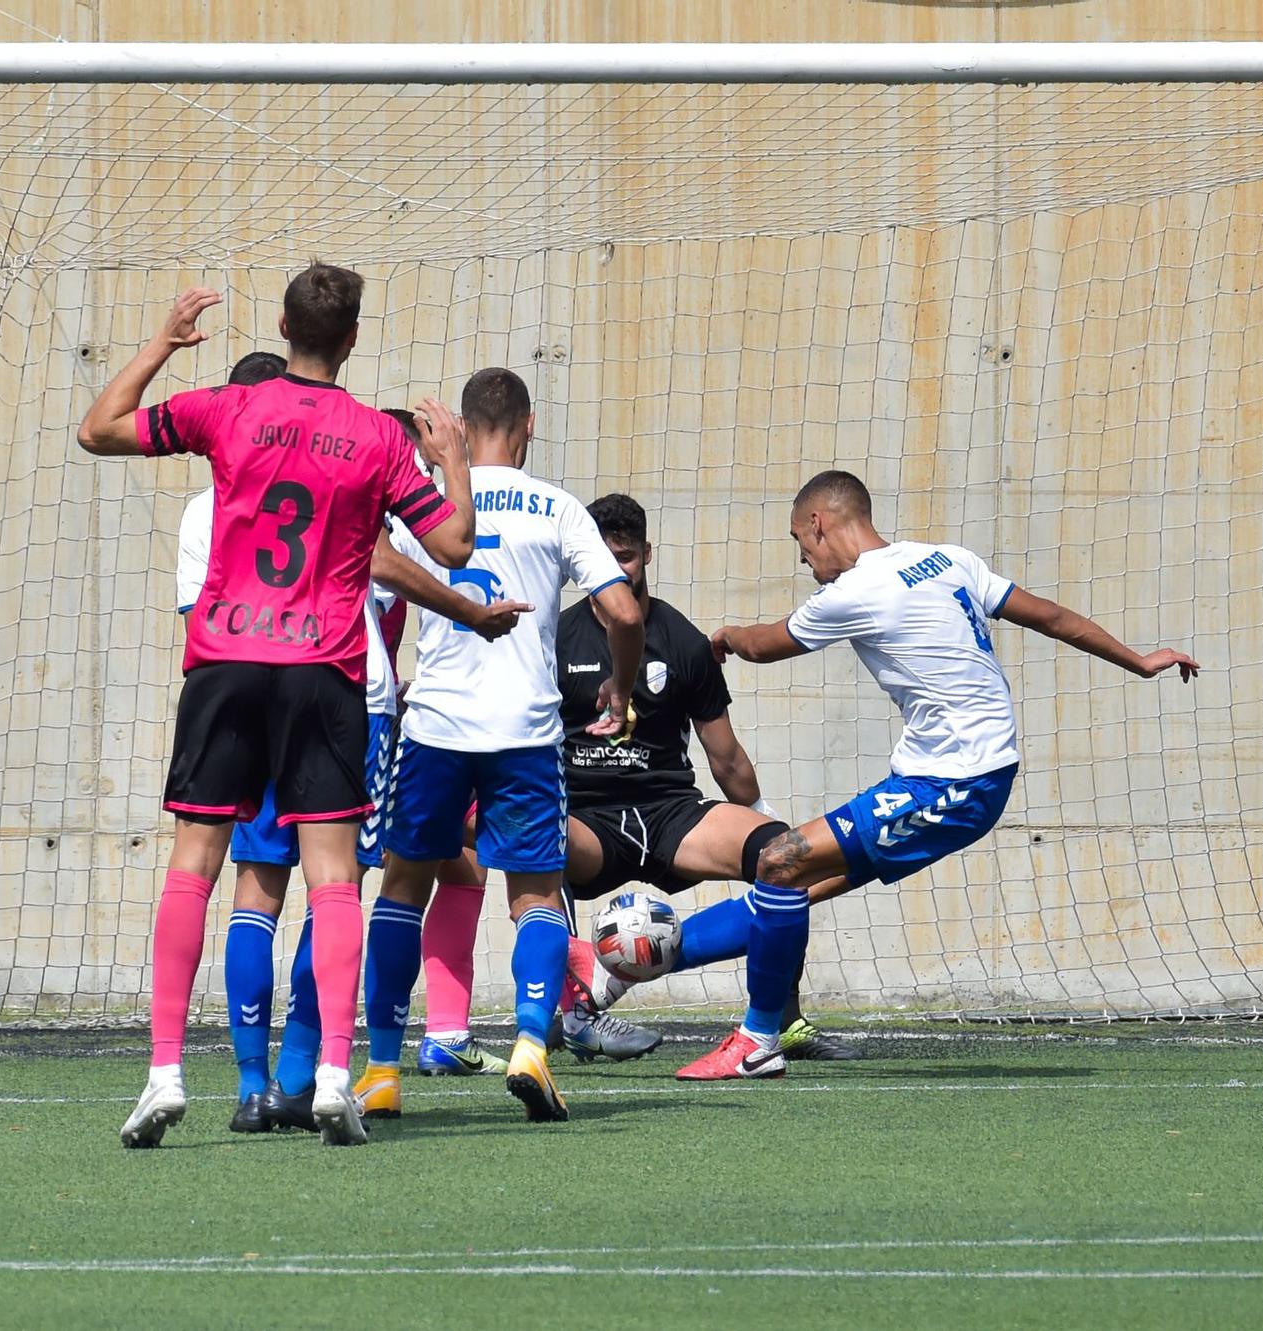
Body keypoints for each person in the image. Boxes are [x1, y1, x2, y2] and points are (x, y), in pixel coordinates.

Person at [77, 266, 475, 1147]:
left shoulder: (228, 408)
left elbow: (97, 429)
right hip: (322, 670)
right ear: (353, 338)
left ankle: (165, 1072)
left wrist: (161, 344)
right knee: (334, 877)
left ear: (284, 324)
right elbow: (454, 542)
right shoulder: (376, 435)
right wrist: (451, 460)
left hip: (225, 658)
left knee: (197, 866)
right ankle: (336, 1074)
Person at [632, 469, 1197, 1080]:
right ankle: (616, 975)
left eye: (800, 541)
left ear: (819, 523)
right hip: (959, 775)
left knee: (778, 860)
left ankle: (757, 1039)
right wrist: (1137, 660)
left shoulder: (856, 591)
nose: (803, 558)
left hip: (952, 784)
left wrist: (726, 637)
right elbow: (1050, 616)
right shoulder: (946, 559)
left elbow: (767, 645)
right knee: (788, 887)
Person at [177, 389, 526, 1134]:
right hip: (343, 693)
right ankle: (304, 1072)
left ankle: (250, 1083)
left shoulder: (209, 507)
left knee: (253, 885)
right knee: (336, 885)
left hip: (240, 685)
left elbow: (196, 611)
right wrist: (449, 479)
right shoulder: (348, 481)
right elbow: (420, 554)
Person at [360, 366, 643, 1124]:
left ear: (459, 423)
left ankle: (381, 1066)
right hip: (523, 730)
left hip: (436, 726)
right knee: (535, 897)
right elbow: (620, 608)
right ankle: (528, 1045)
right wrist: (619, 684)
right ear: (529, 425)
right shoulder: (557, 506)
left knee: (401, 889)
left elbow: (374, 561)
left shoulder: (425, 497)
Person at [545, 493, 857, 1059]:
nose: (619, 569)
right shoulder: (554, 639)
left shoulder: (682, 640)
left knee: (786, 853)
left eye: (628, 557)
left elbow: (726, 756)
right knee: (539, 841)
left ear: (647, 554)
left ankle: (780, 1018)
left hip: (672, 816)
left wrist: (762, 818)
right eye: (606, 557)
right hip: (588, 820)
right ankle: (568, 1011)